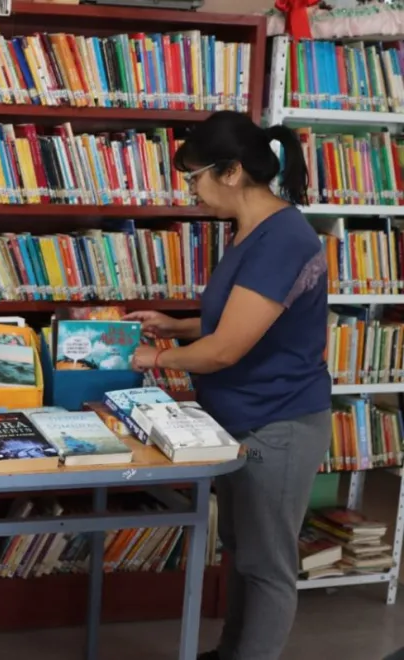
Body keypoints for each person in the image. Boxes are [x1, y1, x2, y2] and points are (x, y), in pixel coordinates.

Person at [125, 111, 332, 660]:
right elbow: (243, 318)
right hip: (242, 417)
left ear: (233, 171)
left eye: (195, 177)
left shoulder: (283, 239)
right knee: (243, 551)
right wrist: (177, 326)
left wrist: (157, 356)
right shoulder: (249, 231)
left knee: (267, 566)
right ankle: (232, 652)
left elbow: (226, 349)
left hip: (278, 423)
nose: (191, 191)